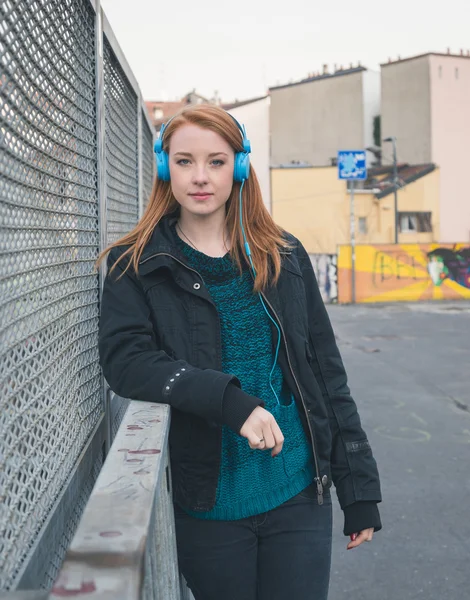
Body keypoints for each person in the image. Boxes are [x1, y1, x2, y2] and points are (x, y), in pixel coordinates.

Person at [97, 104, 382, 600]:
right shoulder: (137, 263)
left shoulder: (283, 255)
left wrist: (358, 492)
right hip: (208, 504)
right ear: (165, 168)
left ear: (240, 167)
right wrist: (233, 402)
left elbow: (326, 375)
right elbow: (126, 361)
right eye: (184, 161)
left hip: (297, 493)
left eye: (216, 161)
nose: (200, 177)